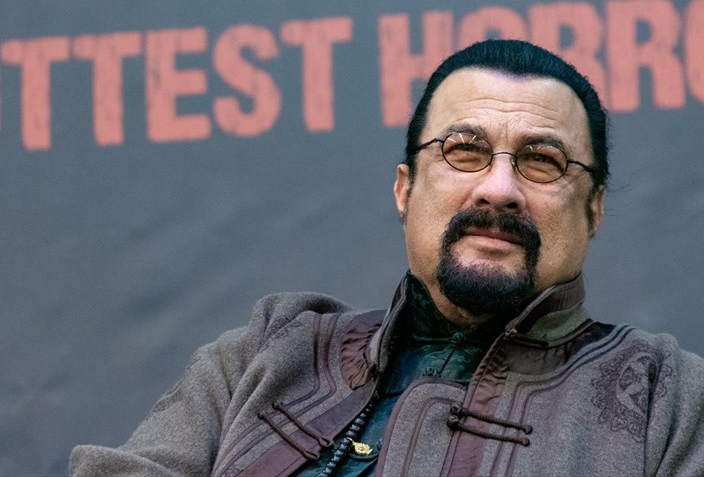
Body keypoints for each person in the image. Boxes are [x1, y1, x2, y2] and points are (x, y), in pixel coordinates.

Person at [70, 40, 704, 476]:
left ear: (594, 209)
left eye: (542, 161)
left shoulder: (669, 399)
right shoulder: (269, 351)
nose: (499, 188)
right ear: (406, 190)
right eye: (464, 151)